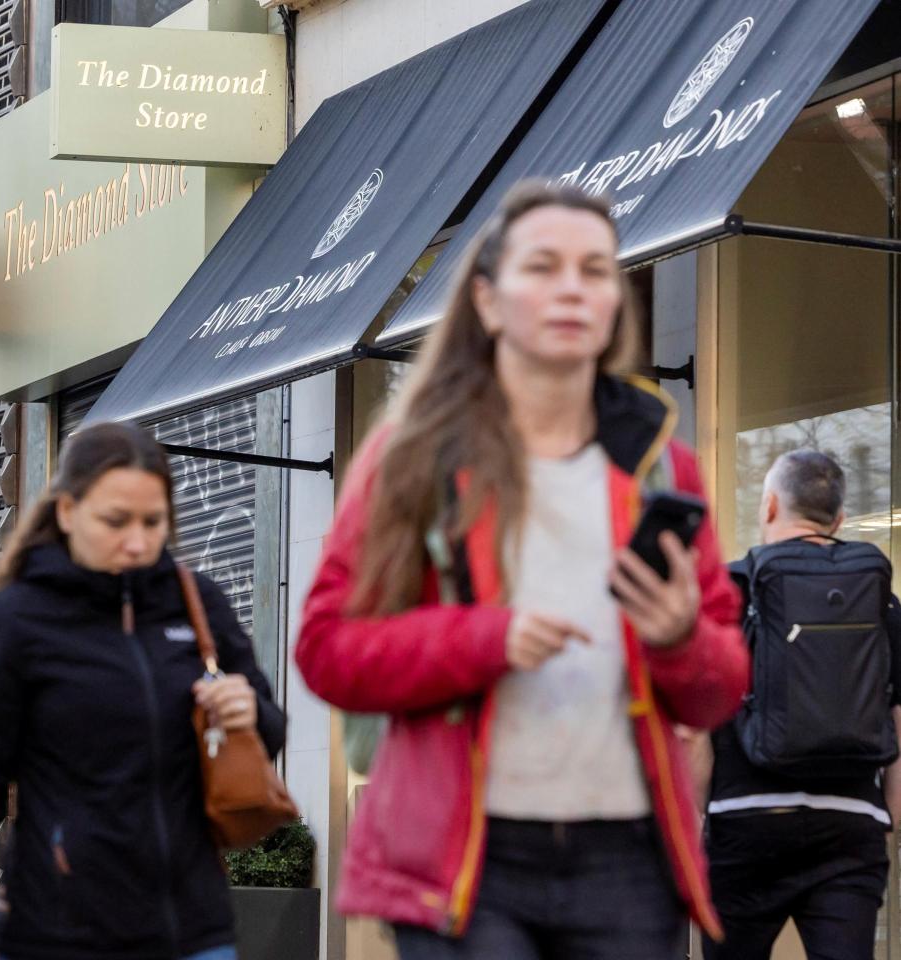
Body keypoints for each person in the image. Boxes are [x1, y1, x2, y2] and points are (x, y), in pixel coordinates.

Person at [293, 181, 749, 959]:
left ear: (614, 302)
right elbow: (327, 649)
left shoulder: (661, 466)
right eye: (543, 267)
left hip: (627, 863)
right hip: (466, 861)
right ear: (488, 300)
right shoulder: (415, 456)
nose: (572, 288)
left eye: (595, 270)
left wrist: (681, 639)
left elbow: (719, 691)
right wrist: (486, 639)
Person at [0, 421, 287, 960]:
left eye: (153, 521)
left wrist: (250, 711)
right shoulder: (16, 620)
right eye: (116, 521)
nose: (138, 542)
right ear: (67, 512)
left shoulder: (198, 604)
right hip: (59, 935)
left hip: (195, 932)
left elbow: (271, 735)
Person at [701, 450, 901, 959]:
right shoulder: (880, 599)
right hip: (849, 824)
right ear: (839, 520)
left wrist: (699, 814)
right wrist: (888, 819)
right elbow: (899, 716)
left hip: (745, 818)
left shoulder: (728, 589)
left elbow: (697, 719)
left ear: (769, 505)